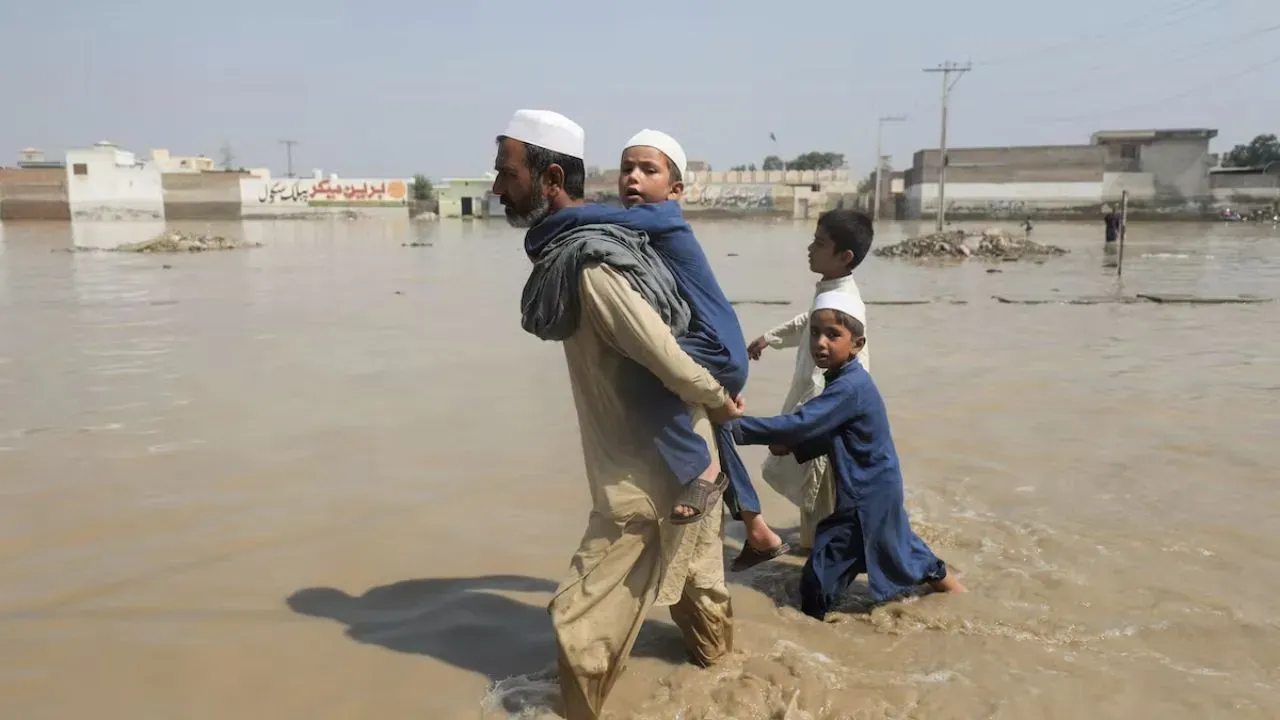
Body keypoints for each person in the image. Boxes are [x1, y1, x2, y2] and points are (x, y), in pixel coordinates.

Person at [493, 109, 737, 719]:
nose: (496, 186)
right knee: (700, 595)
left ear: (550, 177)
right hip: (687, 458)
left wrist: (718, 398)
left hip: (646, 481)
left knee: (578, 628)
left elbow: (665, 357)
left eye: (506, 172)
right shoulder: (585, 251)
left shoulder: (591, 265)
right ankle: (731, 691)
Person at [730, 291, 966, 620]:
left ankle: (809, 629)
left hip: (864, 495)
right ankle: (959, 599)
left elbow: (801, 423)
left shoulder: (848, 388)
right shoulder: (848, 380)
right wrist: (795, 446)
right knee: (904, 551)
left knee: (821, 571)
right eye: (814, 333)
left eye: (833, 335)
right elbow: (833, 433)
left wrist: (733, 427)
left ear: (857, 344)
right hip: (879, 486)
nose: (820, 343)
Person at [745, 209, 873, 550]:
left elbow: (825, 382)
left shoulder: (845, 304)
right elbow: (807, 320)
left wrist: (794, 431)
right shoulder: (832, 290)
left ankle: (816, 562)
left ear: (844, 256)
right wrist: (770, 338)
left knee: (820, 497)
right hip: (820, 416)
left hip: (825, 418)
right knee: (817, 497)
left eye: (819, 243)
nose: (809, 249)